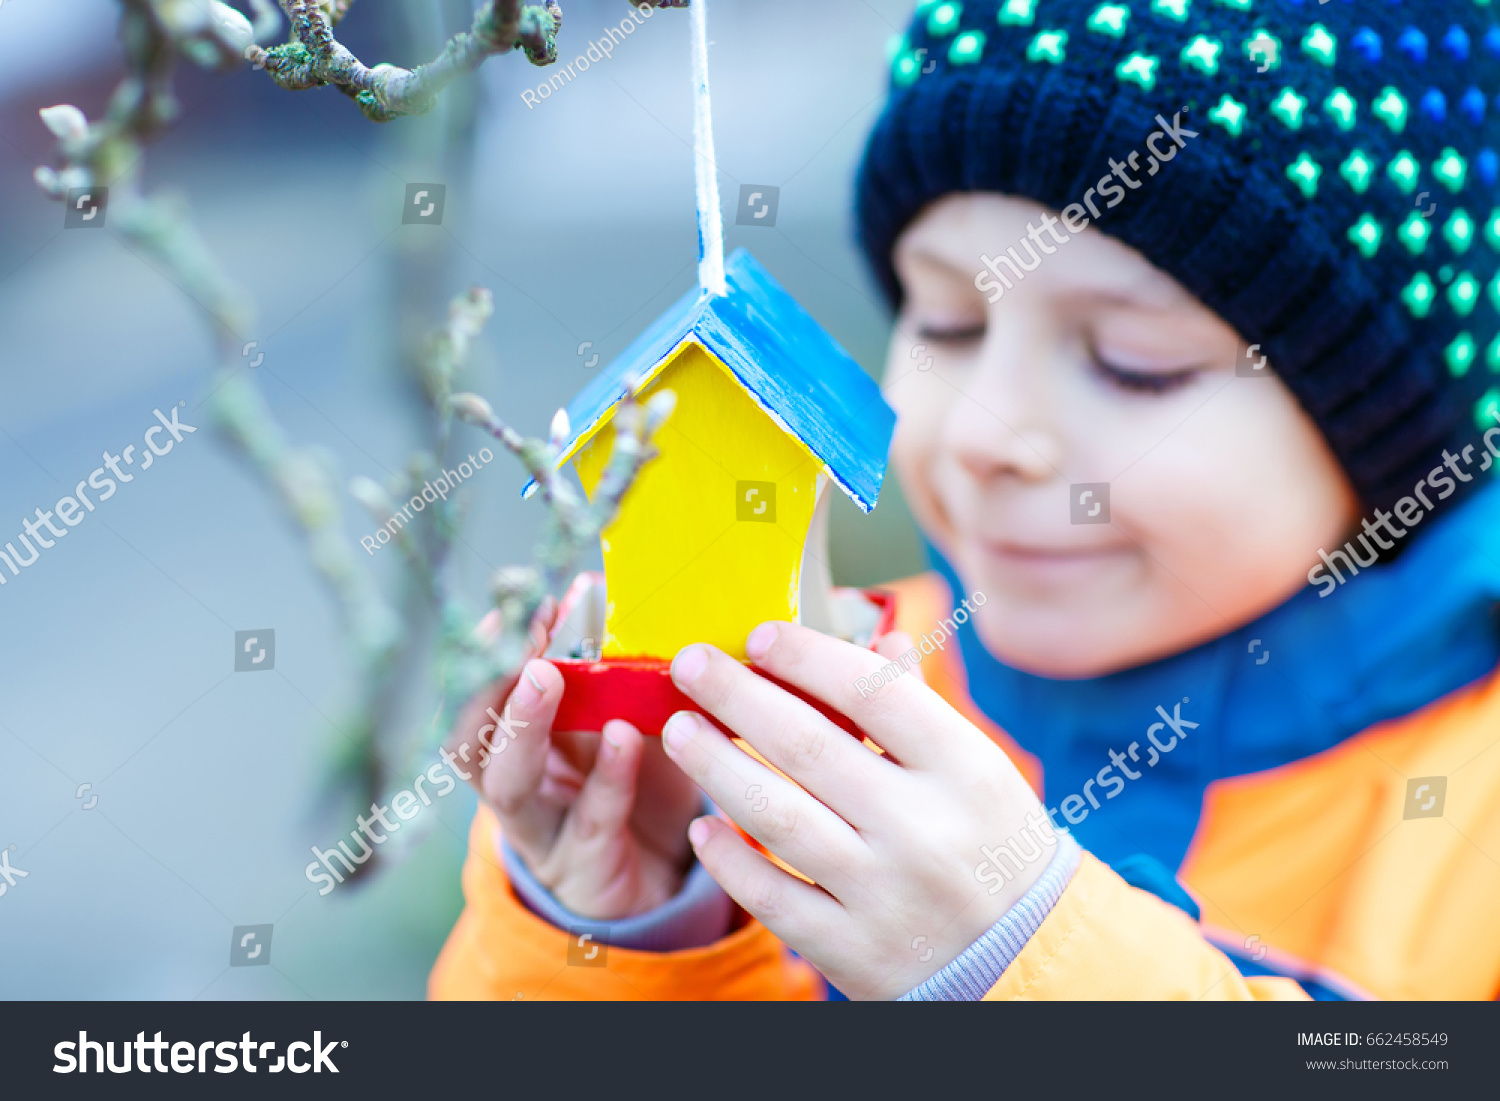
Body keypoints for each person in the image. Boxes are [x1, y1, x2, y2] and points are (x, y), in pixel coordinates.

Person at [430, 0, 1500, 1000]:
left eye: (1135, 364)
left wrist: (1026, 963)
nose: (986, 432)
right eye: (945, 322)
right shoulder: (814, 700)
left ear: (1384, 421)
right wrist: (633, 934)